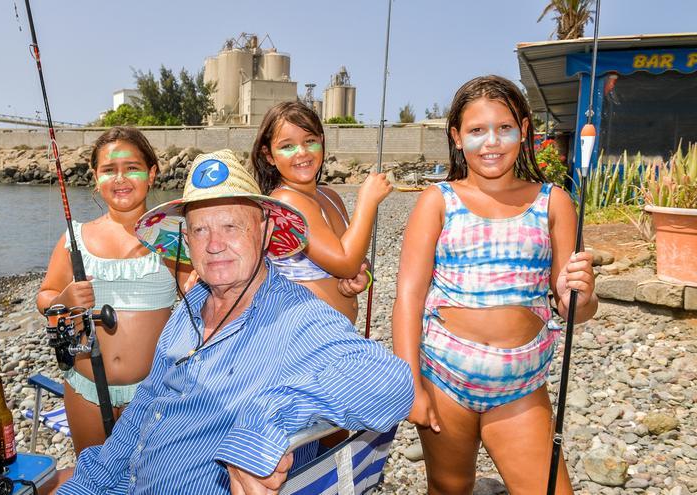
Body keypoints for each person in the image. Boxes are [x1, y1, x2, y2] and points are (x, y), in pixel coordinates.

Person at [53, 150, 415, 494]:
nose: (213, 245)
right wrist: (91, 482)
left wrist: (270, 420)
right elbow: (145, 409)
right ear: (186, 241)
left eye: (231, 226)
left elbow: (391, 381)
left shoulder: (294, 316)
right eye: (199, 230)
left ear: (266, 231)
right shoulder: (190, 308)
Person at [392, 75, 598, 494]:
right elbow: (408, 299)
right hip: (444, 376)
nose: (491, 142)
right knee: (450, 487)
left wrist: (584, 294)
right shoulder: (437, 199)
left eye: (504, 128)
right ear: (456, 137)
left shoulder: (553, 201)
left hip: (520, 386)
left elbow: (571, 307)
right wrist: (410, 386)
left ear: (523, 130)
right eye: (476, 131)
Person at [36, 127, 191, 454]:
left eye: (132, 168)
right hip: (85, 390)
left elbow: (200, 298)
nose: (120, 178)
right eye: (109, 170)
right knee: (93, 478)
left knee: (153, 482)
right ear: (95, 178)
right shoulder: (74, 238)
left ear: (151, 174)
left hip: (153, 392)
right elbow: (45, 296)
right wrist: (64, 299)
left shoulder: (171, 236)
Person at [252, 101, 391, 323]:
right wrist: (367, 202)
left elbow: (354, 256)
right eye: (287, 146)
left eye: (310, 141)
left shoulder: (330, 196)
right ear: (269, 155)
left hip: (337, 335)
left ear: (322, 141)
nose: (302, 152)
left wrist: (363, 275)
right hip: (305, 339)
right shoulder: (285, 201)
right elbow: (346, 263)